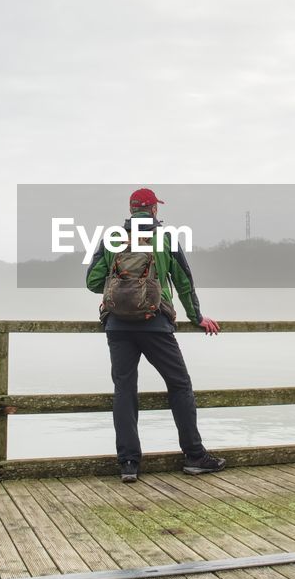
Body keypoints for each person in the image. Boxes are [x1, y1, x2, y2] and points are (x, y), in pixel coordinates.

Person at [86, 187, 226, 483]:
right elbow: (184, 282)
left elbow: (92, 281)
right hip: (155, 324)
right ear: (154, 210)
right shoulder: (165, 239)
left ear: (131, 209)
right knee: (179, 385)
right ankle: (194, 455)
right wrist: (197, 317)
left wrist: (120, 289)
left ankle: (128, 463)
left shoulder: (112, 238)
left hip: (118, 325)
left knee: (124, 390)